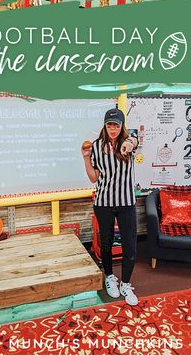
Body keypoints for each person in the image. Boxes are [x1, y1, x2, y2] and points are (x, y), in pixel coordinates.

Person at [82, 108, 139, 306]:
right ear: (105, 126)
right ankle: (109, 277)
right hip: (104, 202)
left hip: (126, 203)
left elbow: (135, 141)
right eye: (109, 125)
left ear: (122, 126)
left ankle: (126, 283)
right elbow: (93, 178)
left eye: (116, 125)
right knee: (105, 244)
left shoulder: (129, 142)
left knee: (130, 246)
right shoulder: (97, 146)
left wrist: (130, 143)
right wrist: (85, 157)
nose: (113, 129)